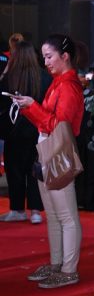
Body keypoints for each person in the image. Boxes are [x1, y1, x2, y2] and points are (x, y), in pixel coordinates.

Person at [12, 34, 85, 288]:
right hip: (48, 151)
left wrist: (32, 106)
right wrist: (29, 107)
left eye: (49, 56)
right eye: (44, 57)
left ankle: (68, 269)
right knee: (55, 215)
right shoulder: (59, 83)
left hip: (58, 153)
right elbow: (48, 123)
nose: (46, 62)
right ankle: (58, 264)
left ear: (65, 56)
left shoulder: (68, 86)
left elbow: (58, 125)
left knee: (65, 216)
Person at [0, 41, 50, 223]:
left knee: (15, 170)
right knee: (35, 169)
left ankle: (17, 209)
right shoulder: (44, 77)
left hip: (13, 131)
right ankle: (36, 211)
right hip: (38, 129)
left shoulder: (9, 77)